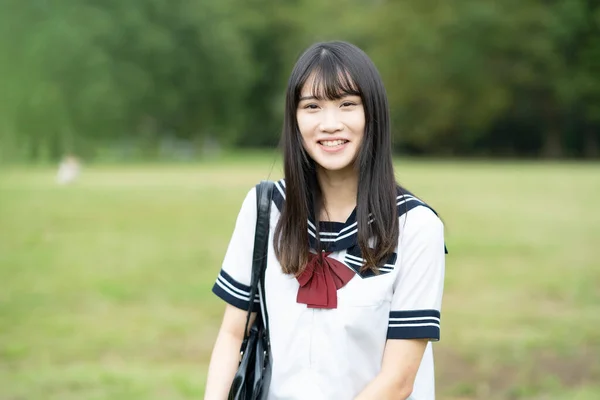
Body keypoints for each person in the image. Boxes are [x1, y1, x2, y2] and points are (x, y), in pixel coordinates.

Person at [204, 41, 447, 400]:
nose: (330, 124)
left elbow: (398, 381)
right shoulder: (266, 209)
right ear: (295, 118)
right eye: (312, 106)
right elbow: (231, 335)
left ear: (372, 114)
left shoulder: (414, 226)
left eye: (347, 105)